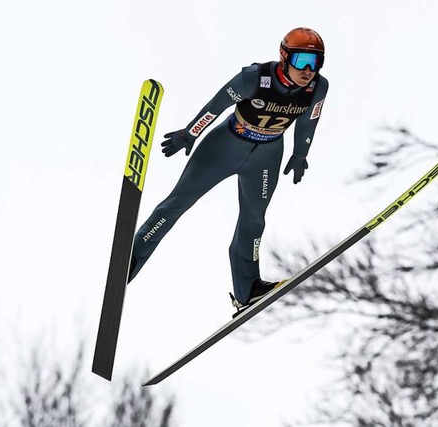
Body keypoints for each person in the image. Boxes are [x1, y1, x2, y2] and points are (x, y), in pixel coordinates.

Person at [127, 27, 329, 311]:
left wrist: (300, 154)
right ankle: (131, 259)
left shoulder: (318, 87)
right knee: (178, 202)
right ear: (284, 57)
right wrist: (190, 134)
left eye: (315, 63)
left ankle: (248, 289)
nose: (308, 70)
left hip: (266, 156)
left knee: (254, 220)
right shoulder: (254, 78)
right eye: (301, 61)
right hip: (224, 147)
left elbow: (309, 121)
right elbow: (216, 105)